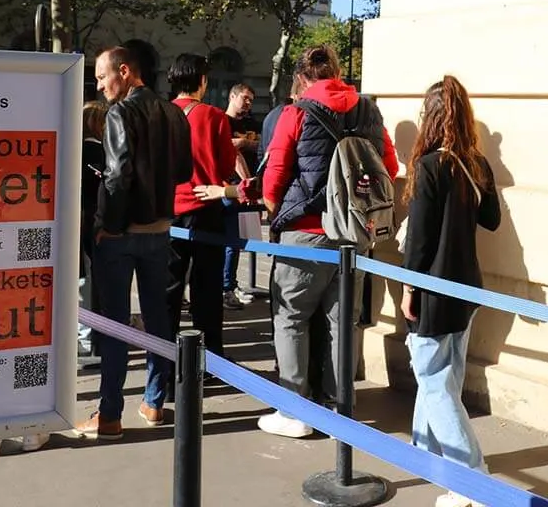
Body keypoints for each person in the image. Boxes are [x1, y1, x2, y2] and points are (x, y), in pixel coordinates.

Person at [259, 45, 398, 438]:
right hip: (355, 236)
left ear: (303, 78)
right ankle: (342, 409)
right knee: (343, 323)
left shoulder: (296, 112)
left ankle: (294, 411)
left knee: (291, 319)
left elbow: (276, 175)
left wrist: (276, 208)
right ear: (337, 72)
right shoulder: (368, 110)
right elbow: (389, 166)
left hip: (306, 232)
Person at [74, 46, 192, 441]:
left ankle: (109, 414)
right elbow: (183, 170)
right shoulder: (175, 113)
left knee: (114, 324)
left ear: (124, 72)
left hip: (122, 234)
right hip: (160, 230)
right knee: (159, 320)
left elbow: (118, 173)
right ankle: (154, 401)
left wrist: (107, 223)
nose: (99, 83)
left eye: (102, 75)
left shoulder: (120, 113)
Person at [399, 76, 501, 507]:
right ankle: (426, 452)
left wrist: (408, 291)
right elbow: (492, 219)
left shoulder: (428, 168)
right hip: (467, 287)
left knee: (436, 382)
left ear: (433, 117)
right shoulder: (477, 165)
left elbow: (419, 242)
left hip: (434, 291)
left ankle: (472, 482)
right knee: (446, 376)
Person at [167, 54, 237, 357]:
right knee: (206, 290)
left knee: (168, 290)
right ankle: (210, 358)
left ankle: (165, 358)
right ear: (203, 81)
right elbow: (225, 167)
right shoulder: (214, 116)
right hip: (205, 207)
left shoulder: (159, 114)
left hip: (167, 211)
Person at [223, 83, 259, 308]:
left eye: (251, 100)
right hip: (231, 188)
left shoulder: (251, 124)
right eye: (244, 98)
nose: (248, 103)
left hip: (248, 188)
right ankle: (226, 287)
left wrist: (247, 143)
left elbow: (264, 146)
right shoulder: (222, 122)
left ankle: (231, 283)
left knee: (241, 241)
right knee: (230, 240)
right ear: (232, 96)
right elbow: (231, 153)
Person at [79, 100, 108, 363]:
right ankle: (88, 341)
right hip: (92, 225)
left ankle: (85, 338)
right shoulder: (96, 152)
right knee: (89, 284)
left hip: (78, 224)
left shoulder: (73, 149)